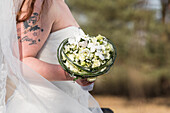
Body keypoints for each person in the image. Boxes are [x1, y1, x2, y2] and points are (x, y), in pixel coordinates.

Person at [0, 0, 103, 113]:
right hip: (41, 106)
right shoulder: (42, 3)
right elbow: (20, 62)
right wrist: (71, 74)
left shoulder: (59, 3)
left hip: (66, 105)